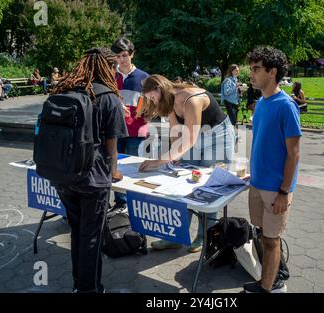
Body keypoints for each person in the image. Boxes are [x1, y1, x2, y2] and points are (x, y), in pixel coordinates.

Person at [51, 47, 128, 293]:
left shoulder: (64, 89)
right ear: (107, 67)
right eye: (113, 66)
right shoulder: (108, 97)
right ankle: (89, 289)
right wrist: (114, 172)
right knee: (91, 236)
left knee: (78, 231)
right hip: (93, 178)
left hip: (63, 174)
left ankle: (78, 285)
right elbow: (111, 145)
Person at [138, 74, 236, 253]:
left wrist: (158, 161)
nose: (152, 102)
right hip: (195, 137)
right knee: (184, 184)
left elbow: (189, 139)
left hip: (218, 138)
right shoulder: (168, 101)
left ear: (159, 89)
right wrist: (173, 158)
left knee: (208, 187)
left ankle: (204, 236)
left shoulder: (192, 100)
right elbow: (176, 134)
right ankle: (175, 235)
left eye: (152, 97)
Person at [243, 46, 301, 293]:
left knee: (271, 239)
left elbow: (294, 153)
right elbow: (263, 144)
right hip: (257, 183)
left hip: (276, 189)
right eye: (251, 69)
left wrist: (284, 191)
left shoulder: (286, 106)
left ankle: (270, 287)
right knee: (262, 234)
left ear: (272, 71)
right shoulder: (261, 104)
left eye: (256, 69)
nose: (251, 74)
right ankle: (273, 275)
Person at [110, 36, 149, 210]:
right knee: (116, 166)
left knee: (134, 168)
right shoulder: (110, 75)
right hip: (116, 130)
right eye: (118, 56)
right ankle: (120, 202)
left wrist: (147, 113)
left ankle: (135, 203)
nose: (121, 60)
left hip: (137, 130)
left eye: (124, 55)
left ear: (132, 54)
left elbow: (152, 103)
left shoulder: (144, 77)